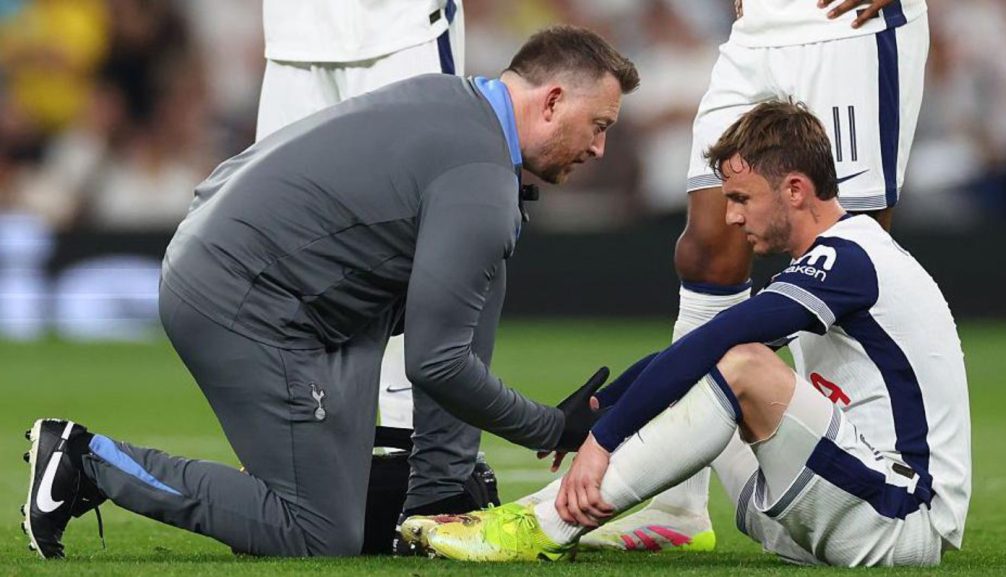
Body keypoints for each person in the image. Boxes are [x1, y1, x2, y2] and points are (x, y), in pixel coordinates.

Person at [21, 26, 640, 559]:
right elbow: (436, 361)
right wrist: (550, 427)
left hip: (284, 285)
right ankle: (86, 461)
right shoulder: (481, 179)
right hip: (245, 303)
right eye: (599, 125)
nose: (599, 147)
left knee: (483, 265)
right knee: (320, 533)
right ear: (553, 101)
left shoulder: (456, 103)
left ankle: (438, 501)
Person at [408, 100, 970, 567]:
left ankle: (545, 523)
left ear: (795, 190)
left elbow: (718, 342)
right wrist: (601, 410)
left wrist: (604, 442)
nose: (730, 218)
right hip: (855, 496)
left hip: (903, 516)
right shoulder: (840, 258)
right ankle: (675, 517)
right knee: (724, 362)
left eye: (741, 198)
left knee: (742, 363)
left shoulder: (848, 260)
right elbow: (692, 354)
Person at [573, 0, 932, 551]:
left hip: (845, 28)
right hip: (753, 31)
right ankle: (680, 508)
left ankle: (871, 460)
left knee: (840, 249)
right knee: (707, 250)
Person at [257, 0, 477, 526]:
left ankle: (422, 463)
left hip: (399, 28)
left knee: (417, 231)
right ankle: (285, 448)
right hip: (292, 34)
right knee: (281, 236)